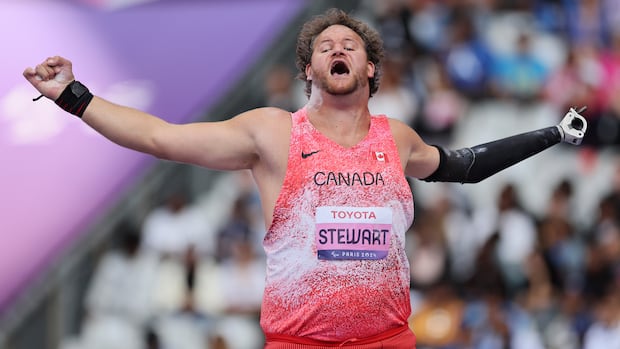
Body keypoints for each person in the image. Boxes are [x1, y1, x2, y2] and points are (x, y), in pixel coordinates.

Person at [23, 8, 588, 349]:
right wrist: (74, 97)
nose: (338, 49)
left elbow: (465, 165)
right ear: (310, 69)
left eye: (350, 45)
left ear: (370, 67)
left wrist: (551, 135)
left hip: (386, 342)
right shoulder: (271, 133)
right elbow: (159, 137)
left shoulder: (397, 139)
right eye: (325, 46)